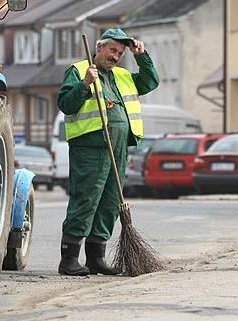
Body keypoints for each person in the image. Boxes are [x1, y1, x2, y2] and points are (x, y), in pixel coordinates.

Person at [56, 28, 159, 276]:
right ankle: (69, 258)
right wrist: (85, 84)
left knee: (110, 202)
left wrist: (141, 56)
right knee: (86, 199)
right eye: (112, 50)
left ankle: (96, 257)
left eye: (120, 53)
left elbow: (150, 82)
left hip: (118, 147)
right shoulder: (79, 70)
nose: (115, 56)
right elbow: (65, 104)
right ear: (99, 47)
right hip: (91, 147)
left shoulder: (122, 76)